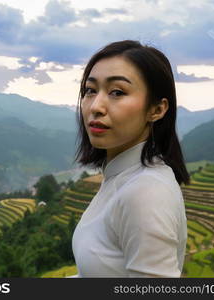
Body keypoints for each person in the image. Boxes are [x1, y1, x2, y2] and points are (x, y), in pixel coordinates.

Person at [68, 40, 190, 278]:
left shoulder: (146, 191)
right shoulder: (122, 177)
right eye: (90, 90)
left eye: (117, 92)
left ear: (157, 109)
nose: (96, 106)